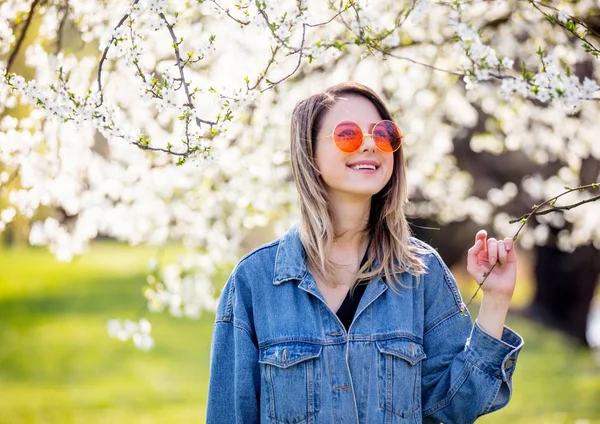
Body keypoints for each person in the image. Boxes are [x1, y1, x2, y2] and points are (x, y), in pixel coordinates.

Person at [206, 82, 524, 423]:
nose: (371, 144)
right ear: (309, 154)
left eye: (384, 134)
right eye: (348, 134)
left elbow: (451, 410)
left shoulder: (422, 273)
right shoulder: (254, 281)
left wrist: (495, 300)